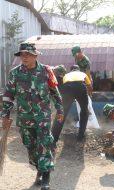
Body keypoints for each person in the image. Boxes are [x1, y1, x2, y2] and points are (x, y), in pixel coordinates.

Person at [0, 42, 64, 190]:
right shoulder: (15, 73)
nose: (24, 57)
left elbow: (55, 92)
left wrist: (60, 110)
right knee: (30, 145)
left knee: (44, 143)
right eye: (22, 54)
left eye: (28, 54)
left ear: (35, 56)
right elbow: (8, 95)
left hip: (43, 116)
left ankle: (45, 175)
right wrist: (5, 115)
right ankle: (39, 169)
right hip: (24, 117)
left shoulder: (46, 71)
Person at [52, 65, 92, 145]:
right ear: (79, 69)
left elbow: (63, 87)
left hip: (67, 88)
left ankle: (53, 138)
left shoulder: (66, 75)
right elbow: (89, 86)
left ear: (71, 70)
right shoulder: (82, 74)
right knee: (84, 112)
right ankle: (80, 137)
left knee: (62, 113)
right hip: (81, 87)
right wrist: (88, 97)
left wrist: (69, 97)